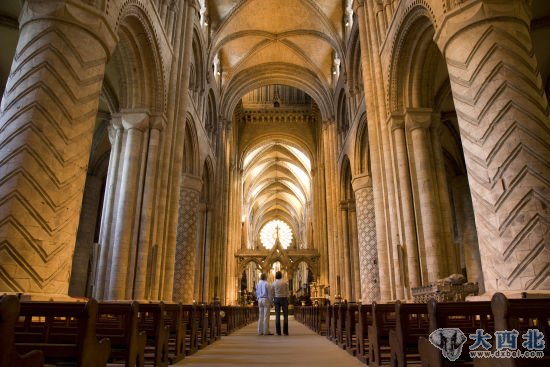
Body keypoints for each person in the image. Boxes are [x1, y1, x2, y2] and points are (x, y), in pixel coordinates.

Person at [271, 271, 289, 335]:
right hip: (284, 299)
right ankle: (285, 332)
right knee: (285, 316)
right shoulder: (285, 283)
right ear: (281, 275)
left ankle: (278, 332)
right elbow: (287, 292)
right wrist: (286, 297)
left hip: (276, 299)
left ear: (276, 276)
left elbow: (272, 293)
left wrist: (272, 301)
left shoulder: (273, 283)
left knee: (277, 316)